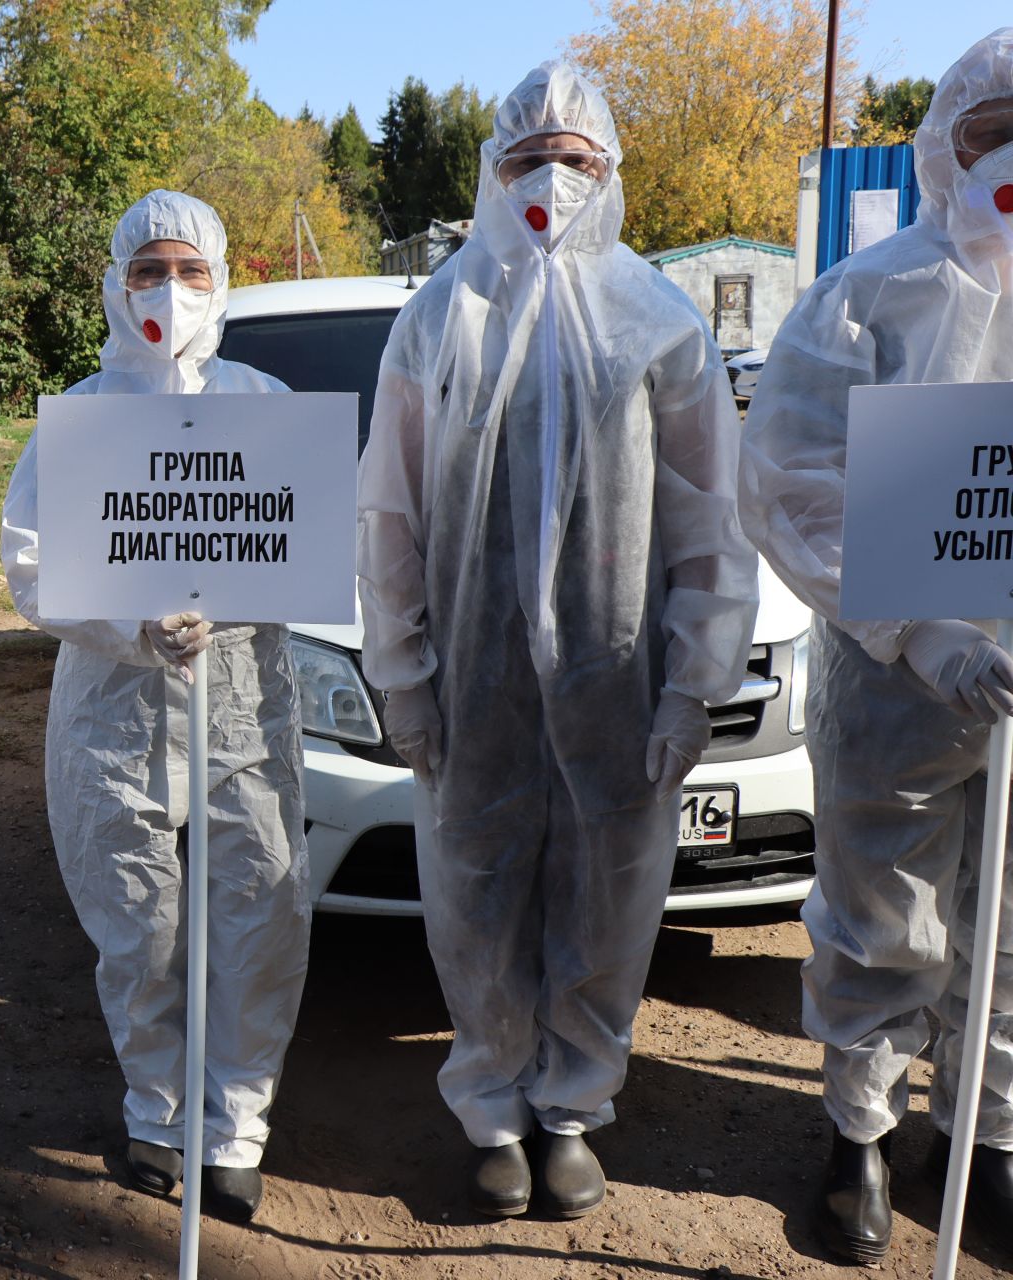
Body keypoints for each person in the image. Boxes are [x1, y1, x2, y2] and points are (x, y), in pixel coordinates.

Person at [357, 63, 758, 1219]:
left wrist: (695, 682)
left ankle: (573, 1105)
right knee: (475, 888)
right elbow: (391, 511)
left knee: (609, 887)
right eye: (529, 156)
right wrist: (404, 670)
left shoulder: (659, 319)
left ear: (611, 174)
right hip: (475, 686)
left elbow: (706, 518)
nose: (552, 178)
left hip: (613, 675)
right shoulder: (440, 313)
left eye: (576, 160)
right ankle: (492, 1105)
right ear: (493, 171)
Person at [739, 28, 1013, 1265]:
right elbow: (793, 482)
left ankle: (987, 1137)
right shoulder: (865, 297)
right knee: (882, 909)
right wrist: (920, 628)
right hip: (897, 681)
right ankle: (860, 1136)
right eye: (992, 128)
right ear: (943, 141)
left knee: (1010, 926)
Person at [0, 190, 311, 1225]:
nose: (167, 291)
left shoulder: (266, 404)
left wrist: (241, 595)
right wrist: (130, 626)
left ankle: (235, 1127)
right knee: (138, 919)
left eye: (188, 271)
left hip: (241, 702)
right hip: (111, 704)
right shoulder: (83, 416)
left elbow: (311, 539)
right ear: (115, 282)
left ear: (220, 282)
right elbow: (31, 560)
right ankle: (156, 1108)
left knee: (256, 903)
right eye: (146, 270)